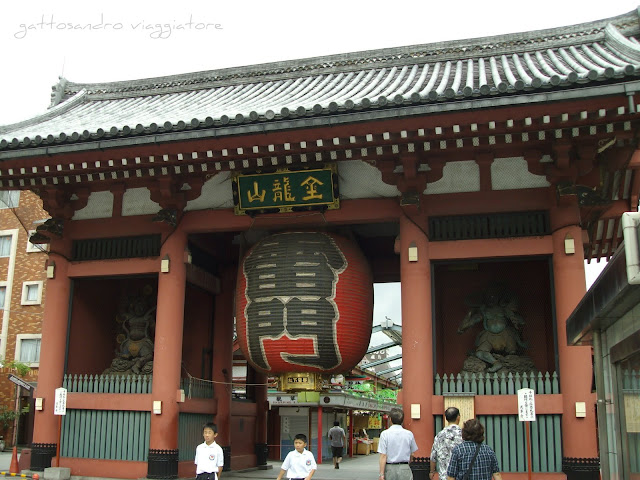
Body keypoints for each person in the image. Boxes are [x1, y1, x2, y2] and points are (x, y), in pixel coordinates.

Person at [378, 408, 419, 480]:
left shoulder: (385, 434)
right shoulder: (409, 434)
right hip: (404, 467)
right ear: (402, 420)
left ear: (390, 419)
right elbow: (412, 454)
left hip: (390, 468)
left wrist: (381, 474)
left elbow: (383, 455)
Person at [430, 407, 463, 479]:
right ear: (458, 417)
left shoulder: (439, 435)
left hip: (444, 476)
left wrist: (432, 471)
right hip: (460, 476)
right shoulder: (464, 435)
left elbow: (433, 457)